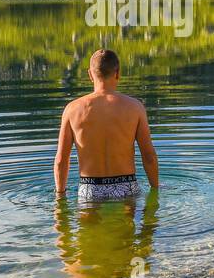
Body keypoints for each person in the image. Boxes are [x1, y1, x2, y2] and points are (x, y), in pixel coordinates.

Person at [55, 48, 158, 201]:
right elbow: (148, 156)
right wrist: (156, 189)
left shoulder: (72, 109)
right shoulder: (135, 107)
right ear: (118, 73)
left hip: (90, 188)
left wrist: (60, 195)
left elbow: (61, 161)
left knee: (88, 226)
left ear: (90, 74)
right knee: (126, 225)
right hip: (126, 187)